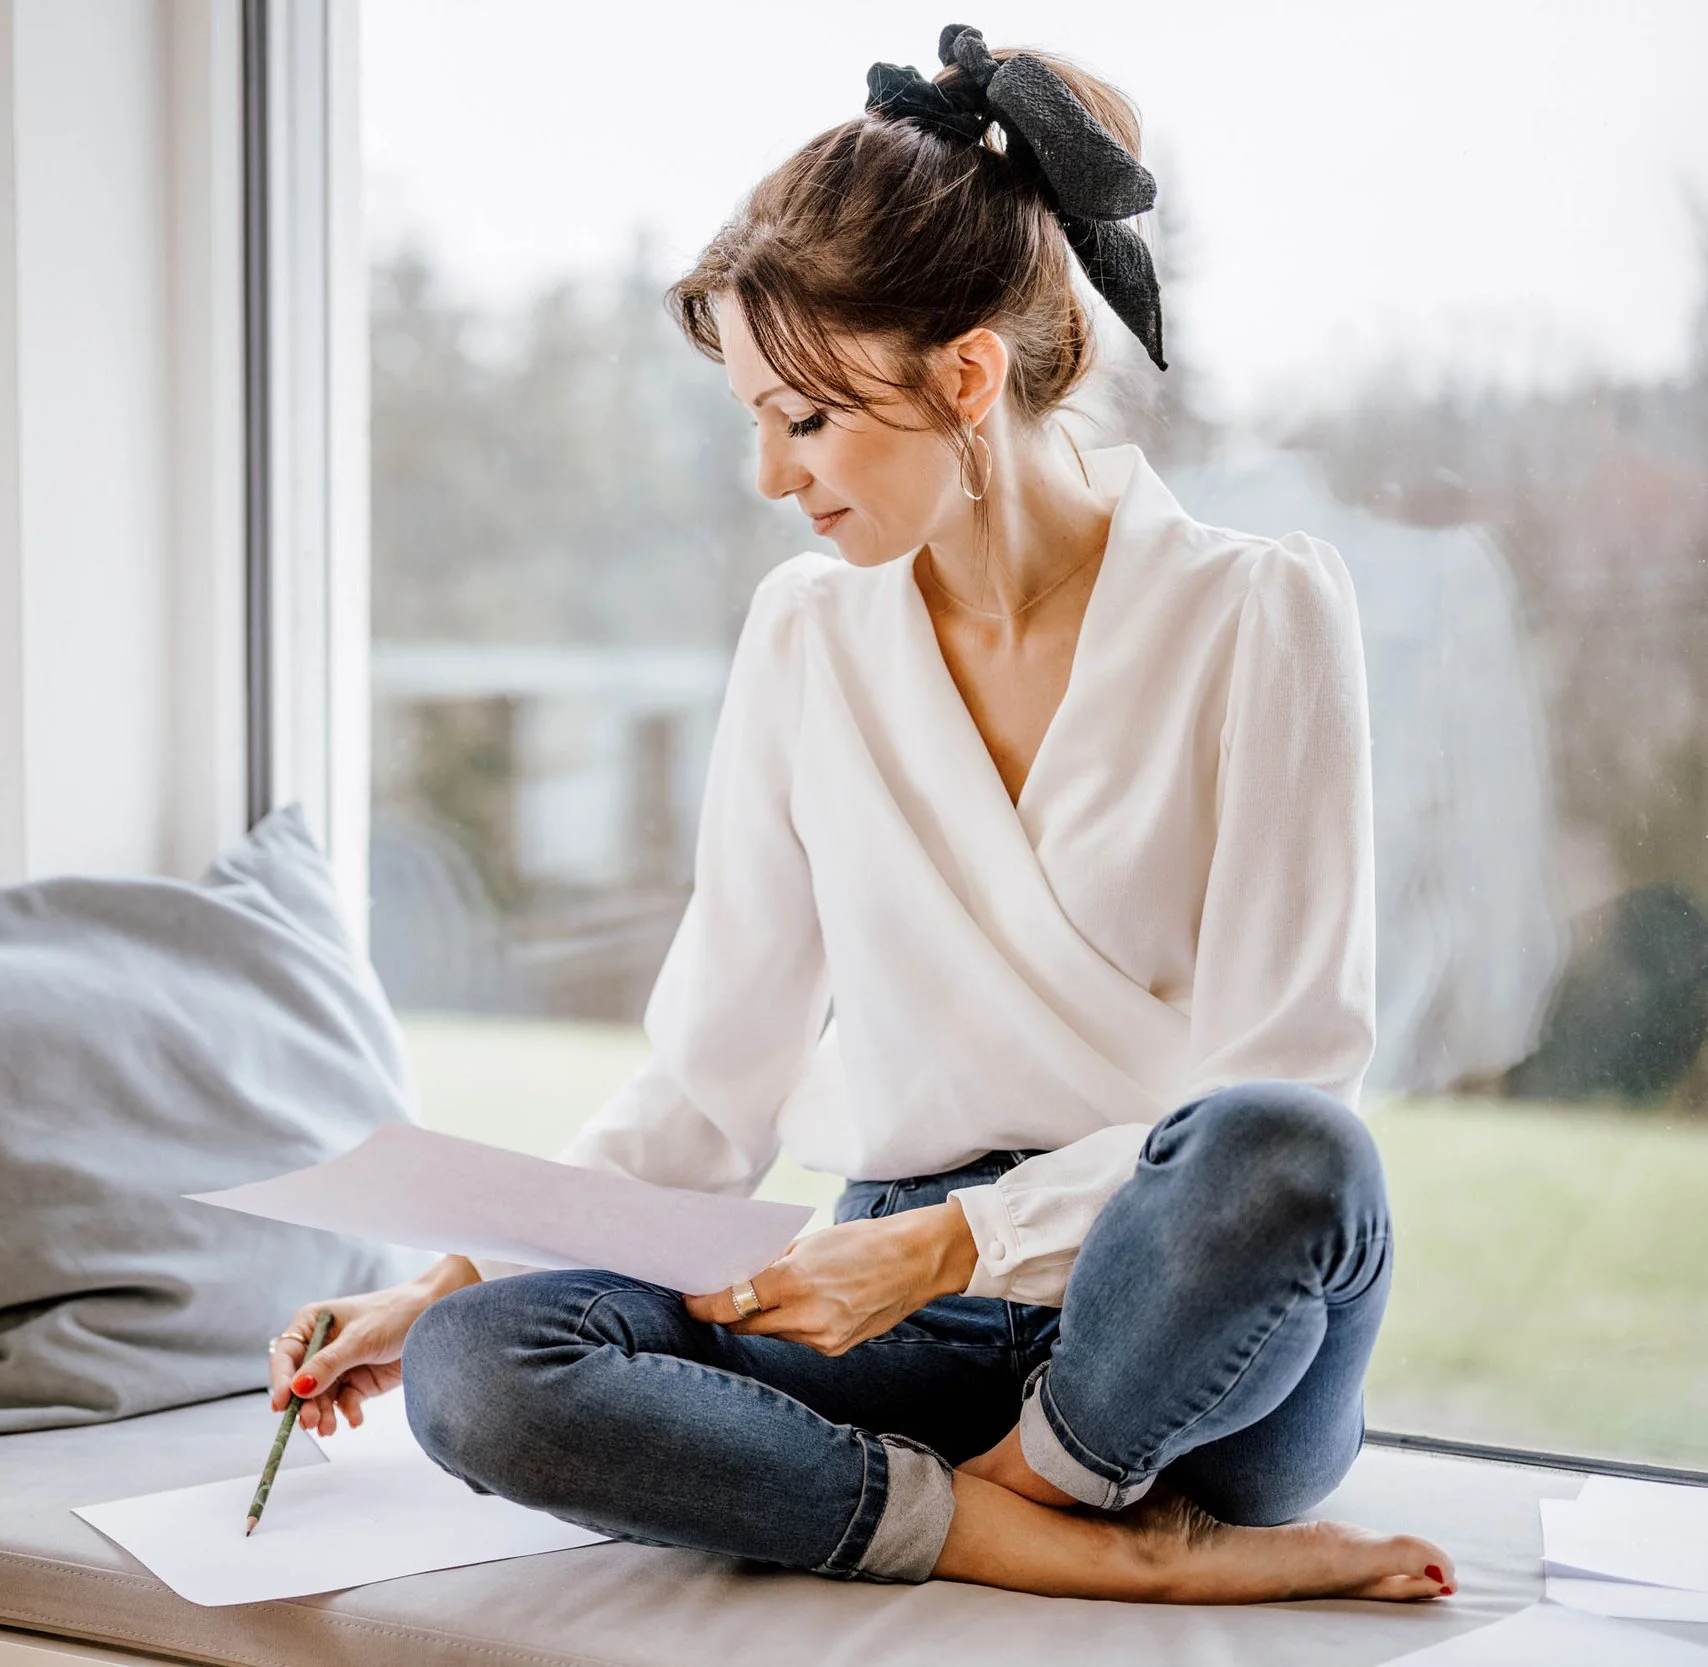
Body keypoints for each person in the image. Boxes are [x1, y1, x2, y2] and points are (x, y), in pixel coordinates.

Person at [270, 25, 1451, 1604]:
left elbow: (1287, 1070)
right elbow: (709, 1088)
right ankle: (1048, 1535)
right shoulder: (807, 639)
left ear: (967, 375)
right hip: (885, 1306)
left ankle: (1061, 1476)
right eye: (754, 416)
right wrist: (454, 1280)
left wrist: (957, 1244)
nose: (772, 474)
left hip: (1187, 1316)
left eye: (809, 419)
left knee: (1292, 1153)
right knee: (486, 1365)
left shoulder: (1257, 613)